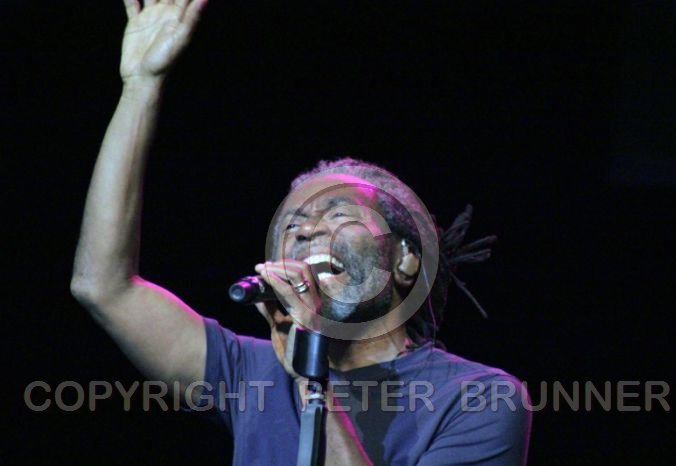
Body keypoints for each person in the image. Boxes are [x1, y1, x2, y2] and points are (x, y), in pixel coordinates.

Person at [71, 1, 531, 464]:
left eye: (338, 214)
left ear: (405, 259)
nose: (307, 229)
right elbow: (104, 287)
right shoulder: (250, 372)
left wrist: (313, 377)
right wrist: (140, 87)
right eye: (292, 224)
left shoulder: (478, 397)